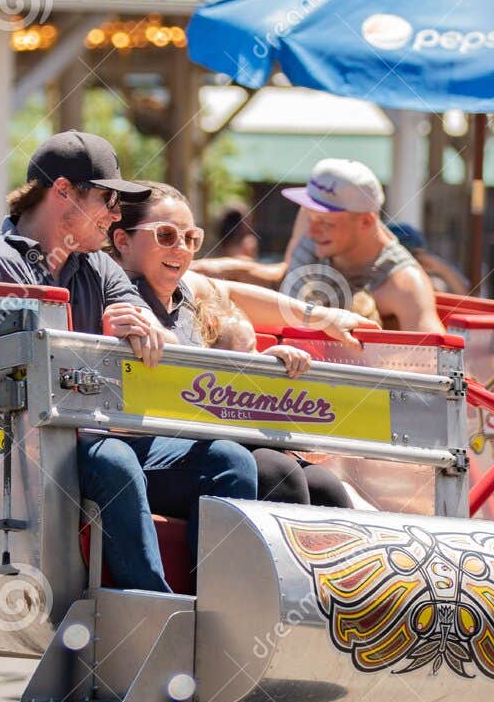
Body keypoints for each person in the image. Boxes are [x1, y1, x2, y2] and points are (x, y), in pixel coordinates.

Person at [0, 130, 256, 594]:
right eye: (107, 199)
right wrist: (104, 338)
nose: (116, 214)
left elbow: (134, 318)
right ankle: (155, 613)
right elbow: (30, 376)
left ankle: (217, 610)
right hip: (24, 450)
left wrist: (141, 326)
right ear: (61, 192)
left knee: (230, 460)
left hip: (92, 436)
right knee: (113, 459)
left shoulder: (98, 265)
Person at [109, 182, 364, 509]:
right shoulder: (115, 292)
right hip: (156, 449)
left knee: (324, 486)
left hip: (210, 435)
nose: (182, 249)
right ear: (123, 240)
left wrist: (321, 318)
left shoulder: (184, 288)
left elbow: (230, 291)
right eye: (166, 236)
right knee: (277, 474)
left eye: (191, 238)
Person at [195, 159, 444, 332]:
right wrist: (212, 269)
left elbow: (438, 369)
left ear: (366, 221)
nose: (312, 230)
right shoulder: (315, 225)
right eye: (310, 215)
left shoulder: (405, 284)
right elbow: (284, 277)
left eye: (325, 222)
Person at [386, 222, 470, 297]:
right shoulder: (384, 284)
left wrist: (441, 268)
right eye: (411, 255)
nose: (415, 261)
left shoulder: (431, 283)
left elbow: (466, 297)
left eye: (417, 255)